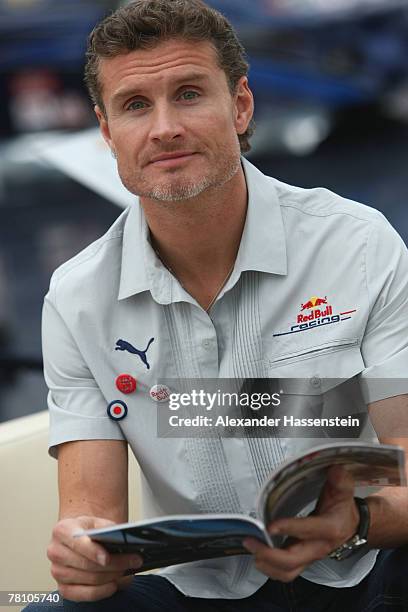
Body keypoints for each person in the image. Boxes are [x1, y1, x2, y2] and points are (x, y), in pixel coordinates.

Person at [25, 1, 408, 610]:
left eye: (188, 93)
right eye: (135, 105)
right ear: (105, 132)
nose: (164, 128)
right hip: (198, 594)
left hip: (362, 566)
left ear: (242, 105)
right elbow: (92, 517)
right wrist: (83, 558)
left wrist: (355, 521)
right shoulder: (77, 298)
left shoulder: (358, 245)